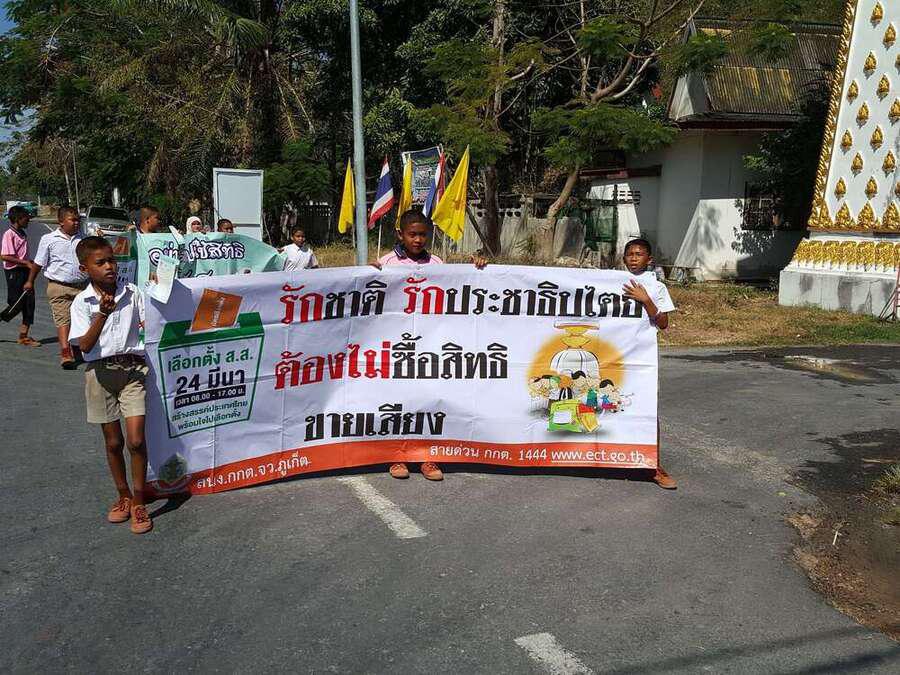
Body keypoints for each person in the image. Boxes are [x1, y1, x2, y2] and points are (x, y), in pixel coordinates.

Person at [374, 209, 487, 481]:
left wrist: (475, 269)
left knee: (427, 401)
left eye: (423, 235)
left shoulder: (437, 263)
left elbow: (455, 288)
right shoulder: (385, 263)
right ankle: (398, 456)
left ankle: (427, 457)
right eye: (412, 234)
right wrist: (367, 273)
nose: (418, 240)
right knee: (399, 402)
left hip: (429, 346)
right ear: (400, 234)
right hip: (397, 347)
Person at [69, 236, 152, 534]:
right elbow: (85, 346)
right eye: (100, 262)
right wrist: (102, 314)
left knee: (136, 441)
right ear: (85, 269)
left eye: (112, 260)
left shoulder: (132, 293)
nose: (109, 267)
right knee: (113, 442)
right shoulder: (82, 302)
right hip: (100, 374)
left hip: (133, 371)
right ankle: (123, 495)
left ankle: (140, 501)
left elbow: (150, 324)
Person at [620, 237, 677, 490]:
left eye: (639, 254)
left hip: (640, 357)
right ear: (623, 258)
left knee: (645, 409)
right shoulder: (611, 282)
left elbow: (663, 324)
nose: (634, 258)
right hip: (614, 355)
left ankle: (654, 467)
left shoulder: (656, 287)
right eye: (630, 254)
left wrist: (646, 300)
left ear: (649, 259)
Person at [27, 206, 87, 369]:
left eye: (78, 220)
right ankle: (65, 352)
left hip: (82, 288)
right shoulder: (49, 239)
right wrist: (30, 281)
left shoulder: (83, 238)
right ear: (61, 222)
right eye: (72, 220)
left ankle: (77, 349)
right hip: (59, 287)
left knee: (81, 320)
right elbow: (38, 263)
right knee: (63, 319)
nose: (76, 223)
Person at [1, 206, 39, 346]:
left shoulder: (22, 233)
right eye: (26, 218)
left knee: (29, 303)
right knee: (16, 304)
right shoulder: (9, 234)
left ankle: (23, 336)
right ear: (18, 219)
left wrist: (30, 262)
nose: (28, 220)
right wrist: (25, 263)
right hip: (14, 272)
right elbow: (5, 256)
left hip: (25, 271)